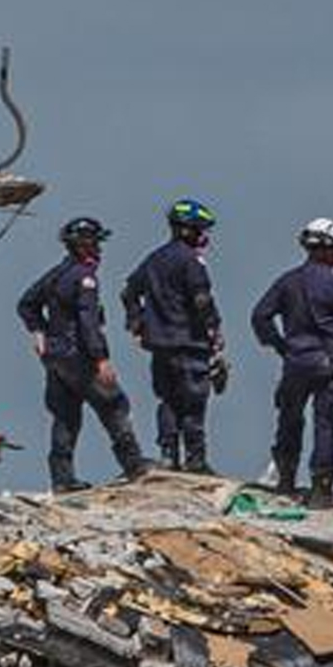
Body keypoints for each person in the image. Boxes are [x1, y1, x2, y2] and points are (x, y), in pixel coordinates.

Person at [17, 216, 152, 490]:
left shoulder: (57, 273)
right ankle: (134, 466)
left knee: (65, 417)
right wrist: (101, 359)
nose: (99, 250)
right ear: (83, 245)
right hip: (79, 356)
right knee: (114, 404)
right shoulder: (84, 278)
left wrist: (40, 332)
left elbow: (26, 303)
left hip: (55, 358)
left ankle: (62, 479)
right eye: (95, 244)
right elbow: (88, 323)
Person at [250, 218, 333, 507]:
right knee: (325, 425)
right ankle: (320, 492)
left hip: (295, 363)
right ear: (327, 247)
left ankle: (285, 483)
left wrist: (280, 346)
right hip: (329, 365)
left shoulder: (287, 282)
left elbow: (260, 316)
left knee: (289, 421)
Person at [122, 198, 226, 473]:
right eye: (200, 230)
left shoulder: (154, 259)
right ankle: (196, 460)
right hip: (190, 344)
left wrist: (137, 323)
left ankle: (168, 455)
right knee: (194, 403)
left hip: (160, 346)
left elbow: (128, 291)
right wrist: (215, 331)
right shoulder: (192, 262)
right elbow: (202, 301)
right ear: (186, 230)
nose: (204, 237)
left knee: (167, 400)